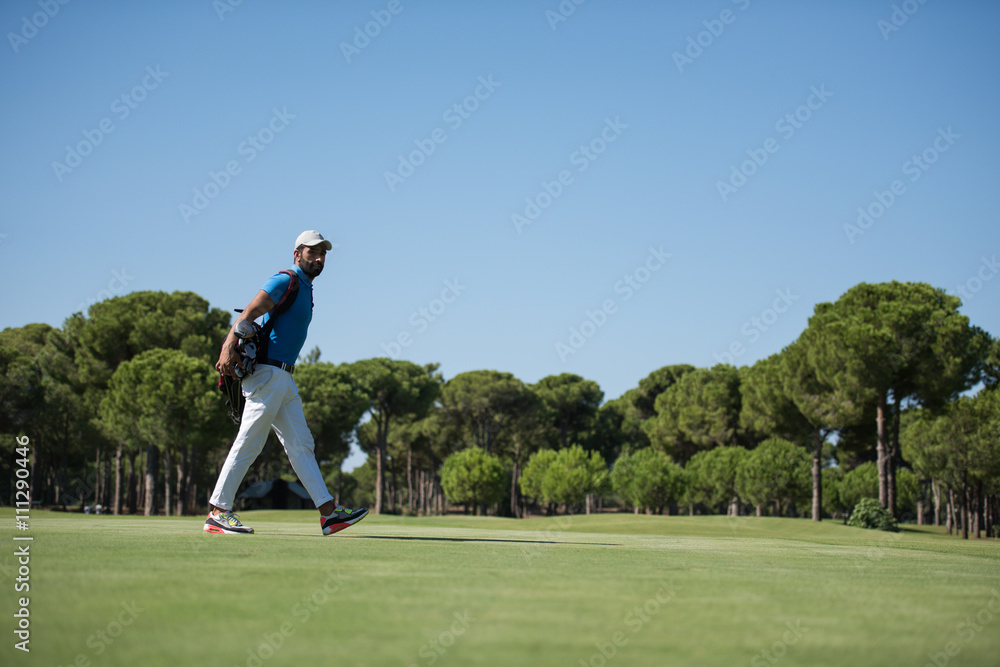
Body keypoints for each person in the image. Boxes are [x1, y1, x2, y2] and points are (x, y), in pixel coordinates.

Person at [204, 230, 368, 536]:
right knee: (250, 442)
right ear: (297, 254)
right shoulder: (285, 280)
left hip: (283, 378)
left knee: (301, 446)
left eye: (323, 255)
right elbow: (250, 314)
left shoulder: (306, 288)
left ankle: (329, 514)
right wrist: (227, 347)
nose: (318, 259)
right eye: (312, 253)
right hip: (267, 375)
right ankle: (218, 512)